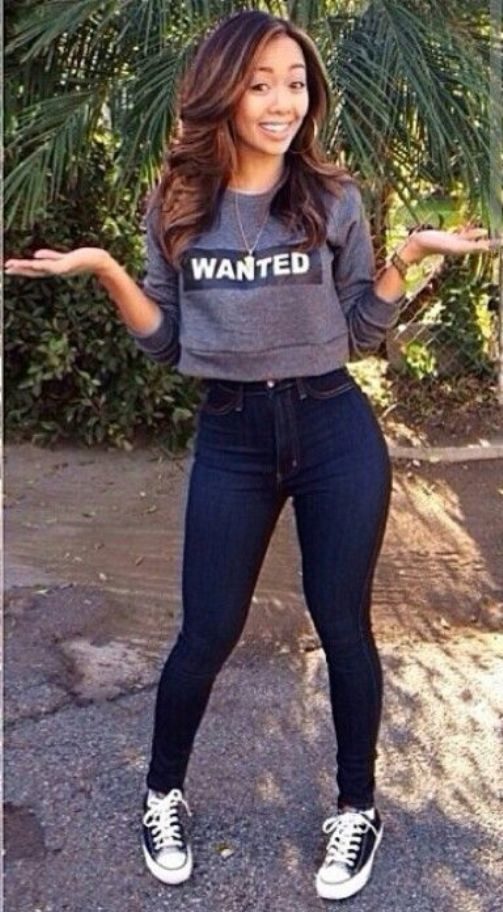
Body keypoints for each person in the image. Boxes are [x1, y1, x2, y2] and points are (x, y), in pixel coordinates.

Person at [6, 8, 499, 903]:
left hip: (332, 428)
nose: (281, 102)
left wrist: (408, 257)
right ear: (222, 92)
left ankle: (356, 808)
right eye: (260, 83)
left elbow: (359, 331)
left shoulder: (331, 198)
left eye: (295, 83)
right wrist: (108, 270)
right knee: (206, 631)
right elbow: (166, 342)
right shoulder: (177, 203)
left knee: (341, 624)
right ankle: (162, 794)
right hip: (231, 433)